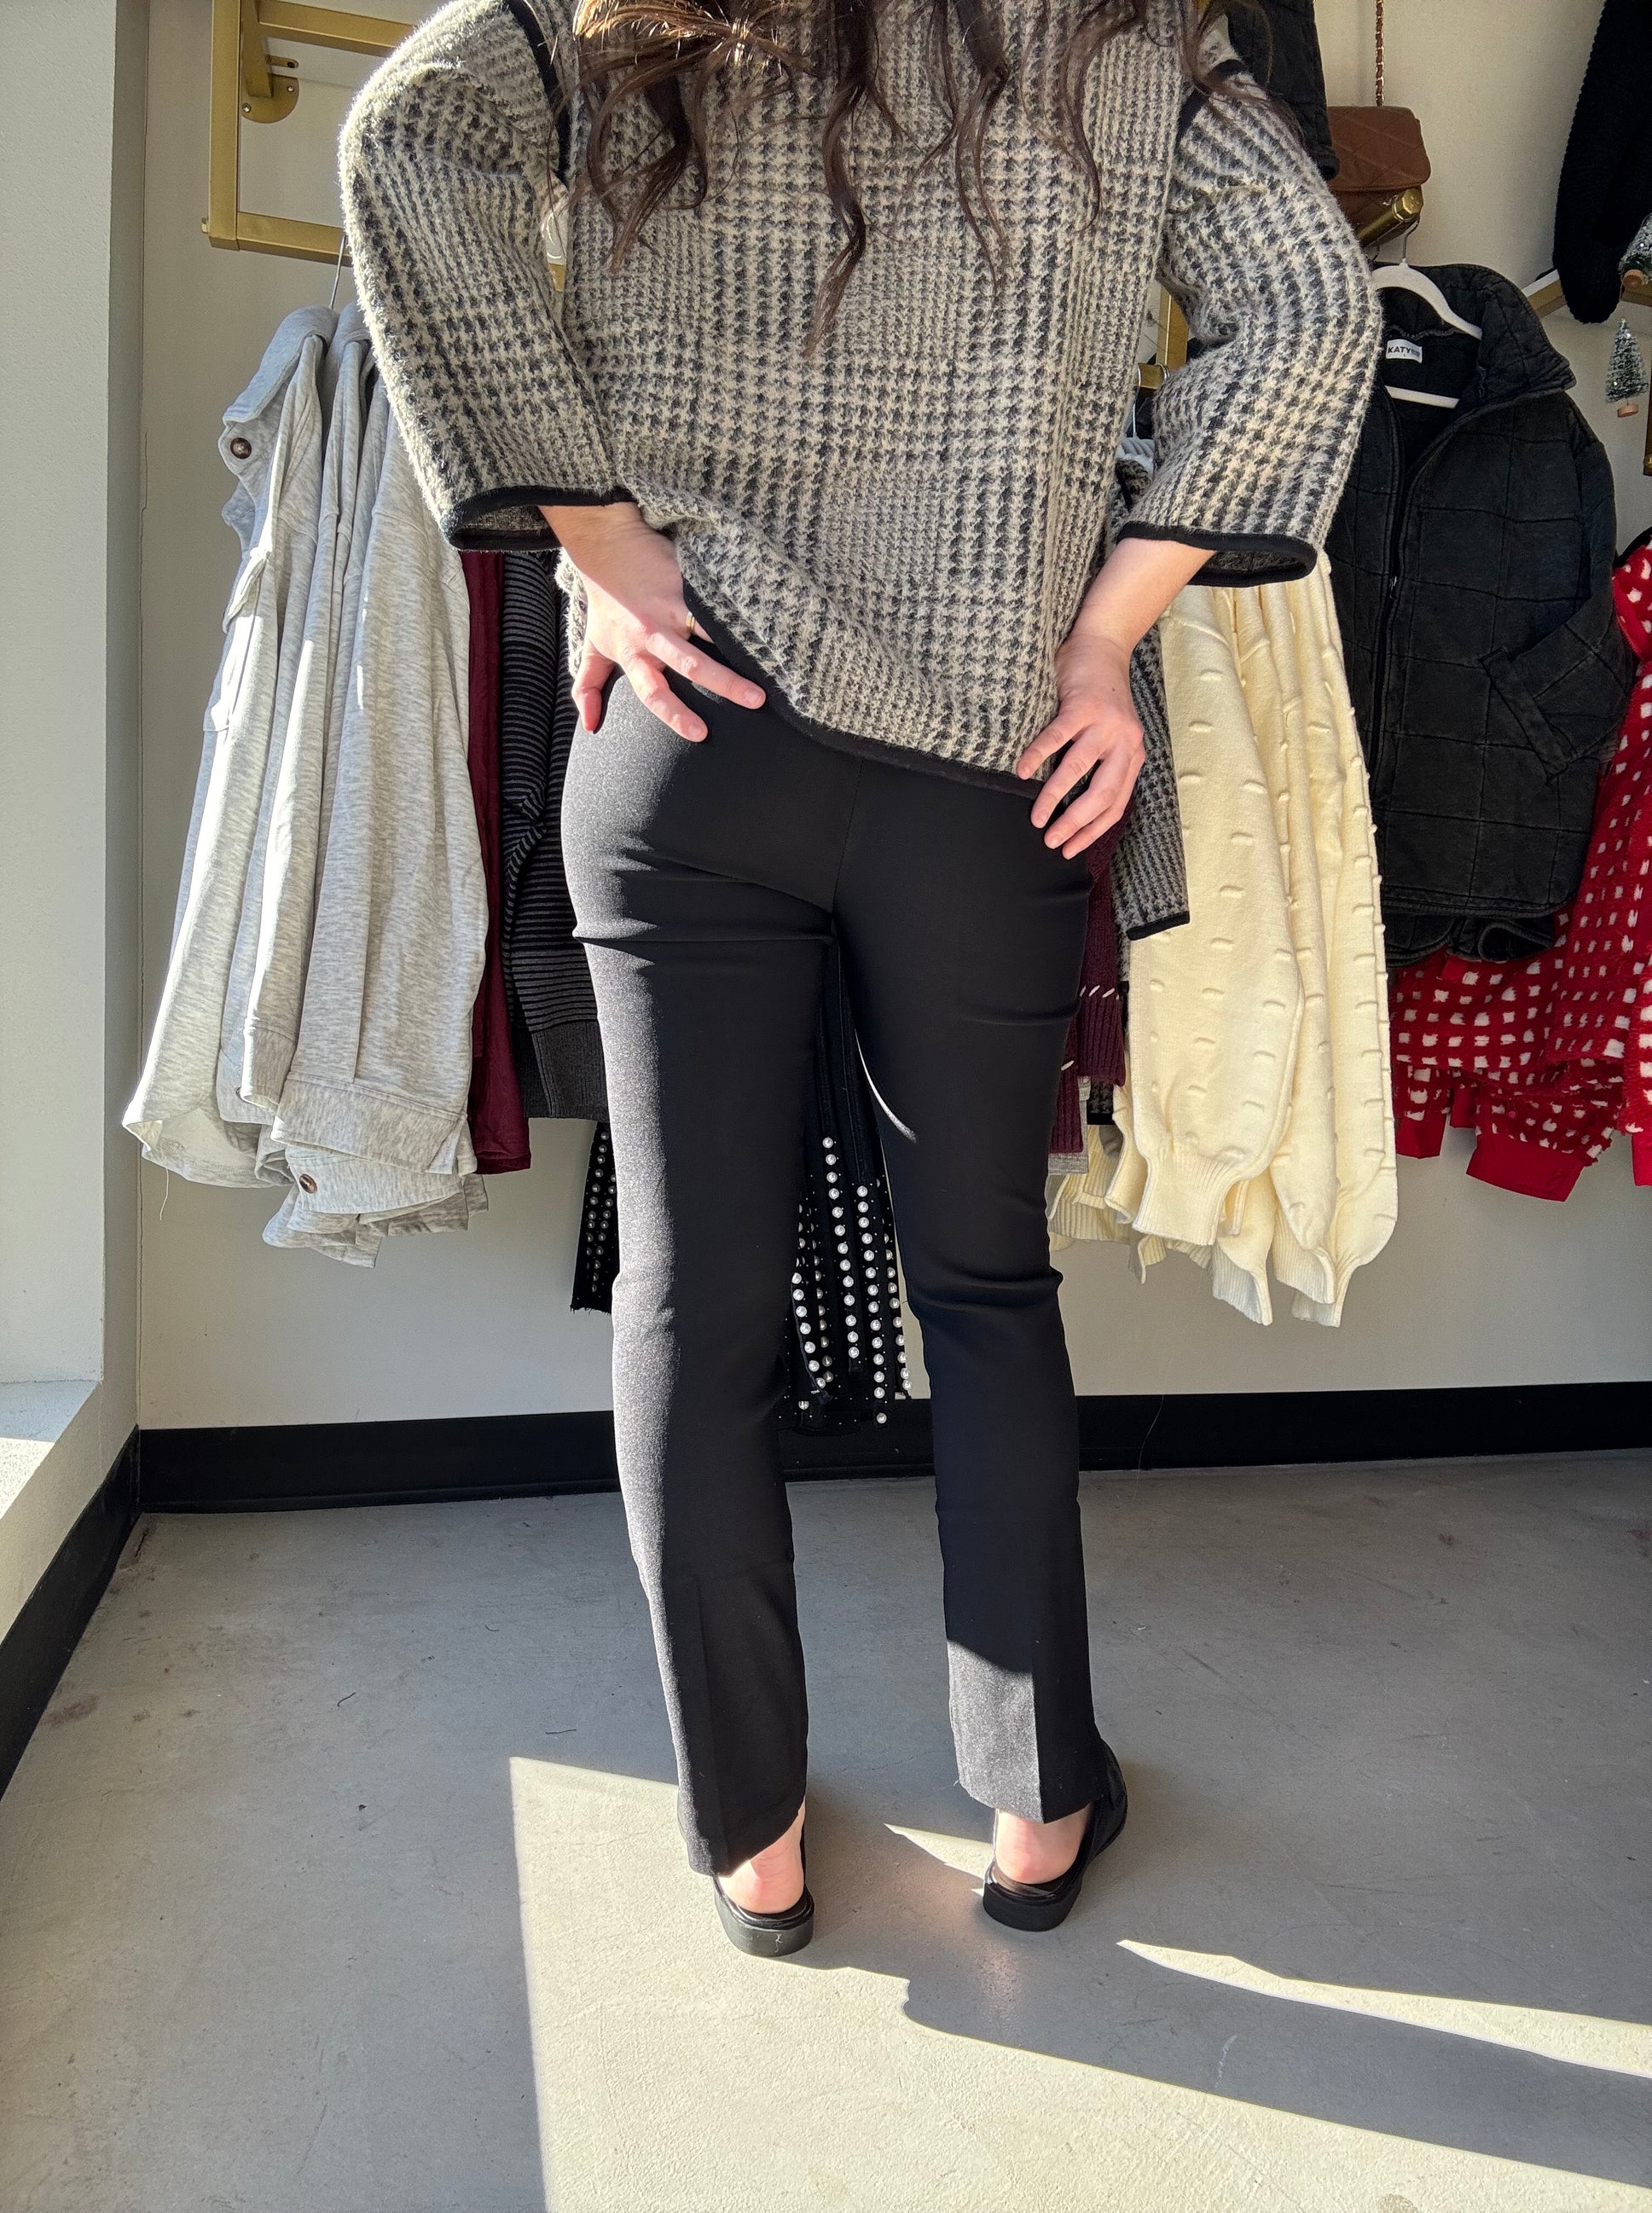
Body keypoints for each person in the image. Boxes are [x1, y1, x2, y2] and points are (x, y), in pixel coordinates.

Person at [339, 0, 1380, 1955]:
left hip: (689, 727)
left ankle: (750, 1836)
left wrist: (599, 537)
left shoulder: (630, 6)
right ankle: (1036, 1804)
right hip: (988, 760)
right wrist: (1105, 635)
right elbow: (1312, 303)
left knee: (693, 1294)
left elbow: (408, 143)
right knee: (982, 1286)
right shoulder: (1134, 36)